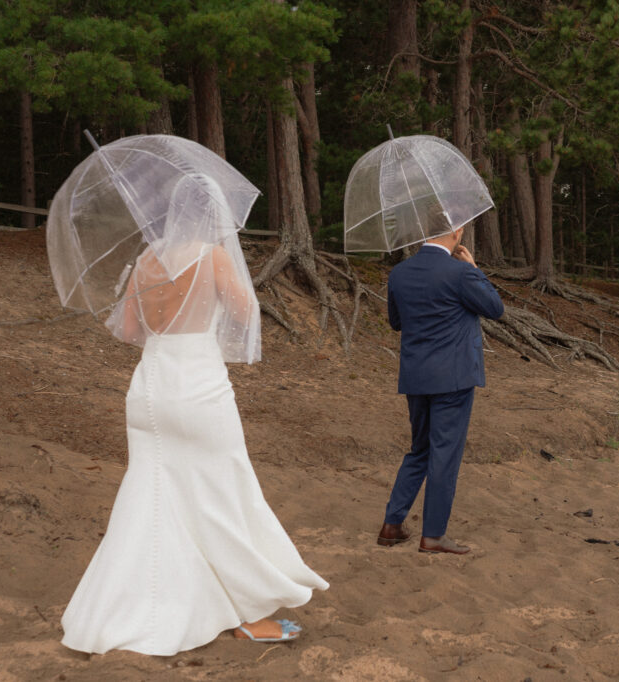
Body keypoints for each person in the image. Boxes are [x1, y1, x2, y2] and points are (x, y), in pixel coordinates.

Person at [60, 174, 328, 656]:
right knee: (224, 493)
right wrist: (205, 309)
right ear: (212, 214)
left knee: (153, 497)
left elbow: (126, 328)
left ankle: (111, 613)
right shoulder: (214, 256)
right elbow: (246, 316)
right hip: (196, 385)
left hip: (149, 387)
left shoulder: (145, 259)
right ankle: (252, 613)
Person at [377, 224, 504, 555]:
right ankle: (433, 535)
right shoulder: (460, 273)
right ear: (457, 232)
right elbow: (495, 308)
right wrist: (475, 270)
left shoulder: (400, 273)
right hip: (454, 378)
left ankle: (392, 525)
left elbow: (396, 321)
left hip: (417, 377)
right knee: (445, 455)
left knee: (420, 449)